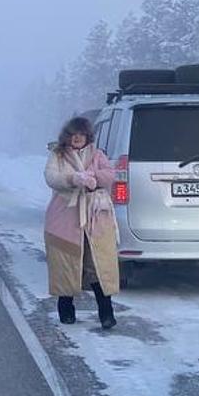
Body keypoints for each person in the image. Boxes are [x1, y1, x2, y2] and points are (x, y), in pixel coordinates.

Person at [43, 116, 119, 329]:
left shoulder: (97, 154)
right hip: (64, 218)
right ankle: (66, 311)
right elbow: (51, 177)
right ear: (67, 136)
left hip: (95, 219)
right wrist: (73, 179)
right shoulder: (57, 155)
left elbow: (110, 174)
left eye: (81, 134)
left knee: (98, 265)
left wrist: (93, 176)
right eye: (73, 134)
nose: (77, 138)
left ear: (87, 136)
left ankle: (107, 313)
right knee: (65, 263)